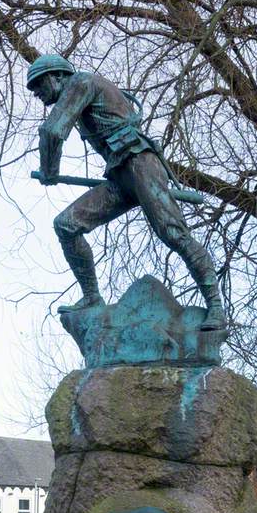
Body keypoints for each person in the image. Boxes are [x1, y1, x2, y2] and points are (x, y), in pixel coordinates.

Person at [27, 54, 226, 333]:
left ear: (58, 76)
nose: (36, 93)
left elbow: (52, 131)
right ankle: (92, 296)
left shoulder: (80, 82)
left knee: (174, 234)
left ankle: (216, 307)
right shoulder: (80, 87)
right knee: (67, 225)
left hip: (140, 164)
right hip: (120, 173)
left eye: (38, 84)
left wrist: (49, 170)